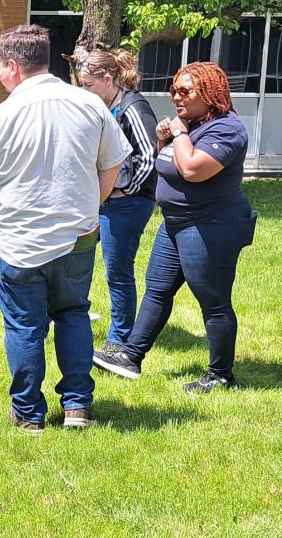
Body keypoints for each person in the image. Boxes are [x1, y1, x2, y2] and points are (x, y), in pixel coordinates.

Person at [0, 24, 129, 435]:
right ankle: (77, 406)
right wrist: (92, 205)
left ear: (14, 66)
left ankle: (29, 414)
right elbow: (113, 163)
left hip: (18, 242)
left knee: (24, 326)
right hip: (78, 236)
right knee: (73, 314)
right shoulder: (91, 106)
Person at [93, 62, 257, 394]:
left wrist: (179, 134)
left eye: (185, 91)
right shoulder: (191, 125)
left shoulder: (227, 129)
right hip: (176, 223)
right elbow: (167, 165)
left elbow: (193, 169)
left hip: (211, 226)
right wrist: (162, 140)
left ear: (209, 94)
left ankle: (221, 375)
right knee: (157, 290)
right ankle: (131, 356)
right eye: (173, 91)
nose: (176, 98)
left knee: (213, 301)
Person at [76, 48, 159, 356]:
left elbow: (149, 157)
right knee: (75, 257)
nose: (84, 91)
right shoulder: (102, 106)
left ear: (108, 79)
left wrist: (126, 191)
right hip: (100, 200)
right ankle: (72, 315)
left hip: (127, 204)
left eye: (88, 85)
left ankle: (120, 337)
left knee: (117, 270)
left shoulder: (134, 108)